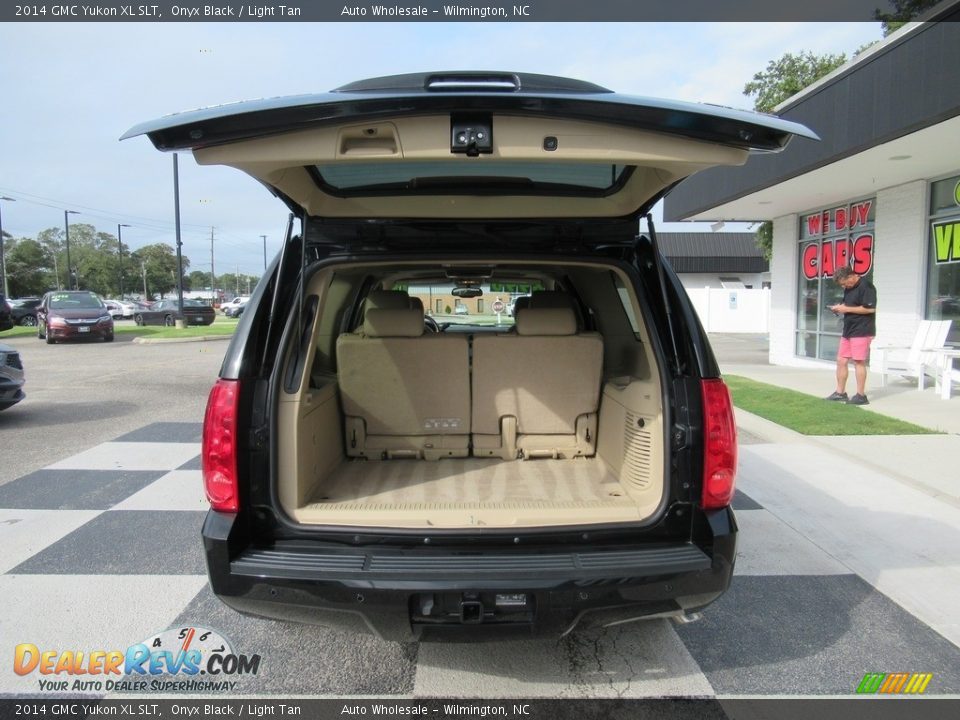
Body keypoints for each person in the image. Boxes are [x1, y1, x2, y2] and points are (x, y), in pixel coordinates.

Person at [825, 266, 877, 405]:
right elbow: (849, 305)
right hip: (848, 329)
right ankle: (840, 393)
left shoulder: (866, 286)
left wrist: (846, 308)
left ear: (851, 275)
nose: (844, 286)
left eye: (844, 283)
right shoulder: (849, 288)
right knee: (841, 360)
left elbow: (870, 308)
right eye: (842, 284)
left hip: (862, 330)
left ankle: (861, 396)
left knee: (859, 361)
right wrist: (839, 307)